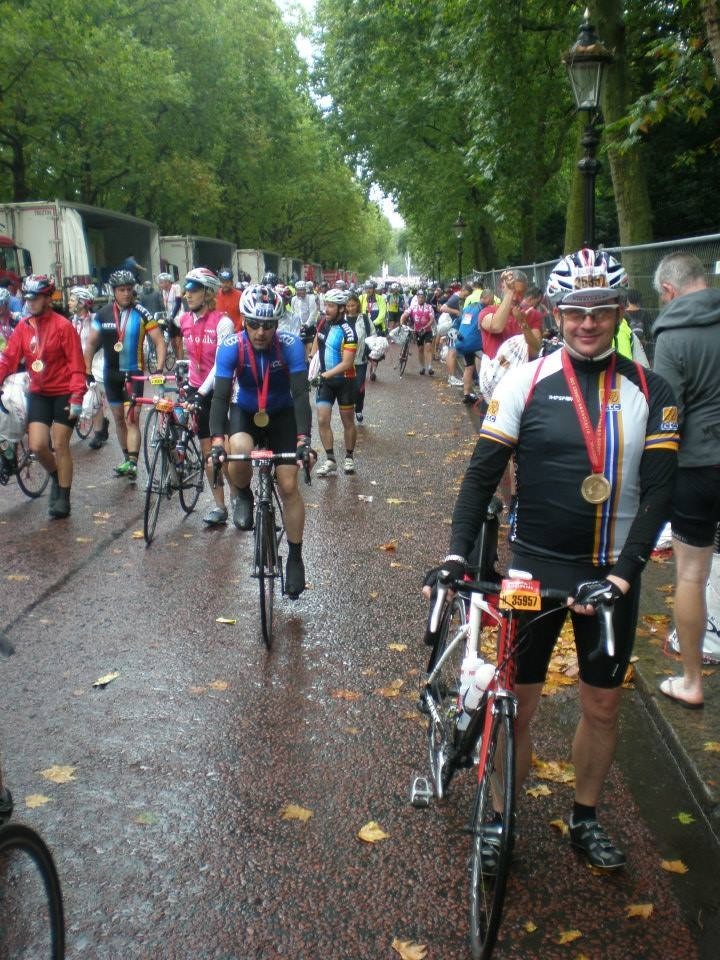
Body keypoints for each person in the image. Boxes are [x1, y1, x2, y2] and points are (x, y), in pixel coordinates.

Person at [428, 283, 678, 870]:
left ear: (618, 314)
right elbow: (481, 476)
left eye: (600, 313)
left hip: (610, 574)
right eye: (576, 313)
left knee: (603, 706)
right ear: (558, 314)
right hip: (532, 569)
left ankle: (584, 817)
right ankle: (497, 815)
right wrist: (458, 555)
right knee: (515, 701)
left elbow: (662, 491)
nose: (588, 324)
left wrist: (623, 575)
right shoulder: (525, 378)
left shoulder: (650, 388)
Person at [208, 284, 313, 597]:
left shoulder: (291, 346)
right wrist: (216, 441)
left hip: (282, 414)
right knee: (235, 450)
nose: (260, 332)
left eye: (268, 325)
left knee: (290, 484)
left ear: (277, 325)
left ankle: (295, 558)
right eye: (253, 323)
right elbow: (221, 396)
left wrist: (303, 440)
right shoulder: (231, 346)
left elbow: (299, 395)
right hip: (247, 410)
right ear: (244, 321)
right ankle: (242, 495)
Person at [652, 252, 720, 708]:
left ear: (669, 291)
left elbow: (668, 415)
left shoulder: (673, 336)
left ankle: (692, 680)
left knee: (692, 575)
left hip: (698, 466)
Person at [0, 275, 86, 518]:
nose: (29, 302)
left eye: (35, 298)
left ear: (48, 298)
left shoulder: (63, 326)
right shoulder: (23, 326)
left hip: (64, 392)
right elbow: (8, 359)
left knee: (60, 444)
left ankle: (64, 498)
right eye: (27, 297)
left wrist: (77, 397)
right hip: (39, 392)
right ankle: (57, 478)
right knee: (37, 446)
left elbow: (77, 365)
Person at [84, 269, 166, 482]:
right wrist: (87, 372)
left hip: (133, 374)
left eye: (129, 289)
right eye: (122, 290)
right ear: (114, 291)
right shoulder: (102, 314)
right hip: (111, 374)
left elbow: (159, 341)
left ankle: (132, 461)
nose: (126, 294)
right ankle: (126, 458)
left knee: (132, 418)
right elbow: (91, 344)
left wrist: (158, 368)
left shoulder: (142, 312)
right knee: (118, 418)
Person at [178, 268, 235, 526]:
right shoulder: (184, 320)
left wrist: (202, 392)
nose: (187, 294)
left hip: (220, 390)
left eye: (194, 289)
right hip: (197, 389)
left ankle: (239, 495)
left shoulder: (223, 323)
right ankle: (220, 506)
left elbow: (221, 364)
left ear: (208, 292)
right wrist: (188, 384)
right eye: (186, 289)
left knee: (226, 452)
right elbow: (191, 358)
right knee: (206, 453)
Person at [313, 288, 358, 476]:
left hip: (345, 381)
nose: (327, 309)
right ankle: (330, 459)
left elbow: (347, 363)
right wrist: (312, 356)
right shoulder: (324, 322)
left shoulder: (348, 331)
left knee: (348, 420)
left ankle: (349, 457)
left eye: (331, 306)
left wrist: (326, 374)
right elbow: (318, 338)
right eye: (326, 305)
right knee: (322, 419)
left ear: (341, 308)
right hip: (326, 380)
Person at [69, 287, 109, 450]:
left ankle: (99, 432)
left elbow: (99, 341)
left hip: (95, 360)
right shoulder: (70, 321)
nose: (69, 302)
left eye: (72, 299)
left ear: (81, 303)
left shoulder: (95, 319)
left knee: (95, 393)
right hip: (75, 361)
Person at [346, 291, 373, 423]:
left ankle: (359, 409)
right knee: (346, 387)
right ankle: (348, 409)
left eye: (353, 305)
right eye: (348, 305)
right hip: (344, 360)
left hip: (361, 359)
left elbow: (372, 335)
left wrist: (373, 349)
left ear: (357, 305)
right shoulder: (342, 320)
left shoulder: (364, 318)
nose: (350, 308)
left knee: (359, 386)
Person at [399, 288, 435, 375]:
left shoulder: (429, 307)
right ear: (417, 297)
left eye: (423, 297)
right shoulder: (413, 307)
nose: (421, 299)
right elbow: (404, 315)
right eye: (419, 297)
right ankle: (422, 367)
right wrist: (401, 323)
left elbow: (432, 319)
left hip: (427, 330)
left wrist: (426, 326)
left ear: (425, 298)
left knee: (428, 346)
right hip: (417, 331)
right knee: (420, 349)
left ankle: (430, 367)